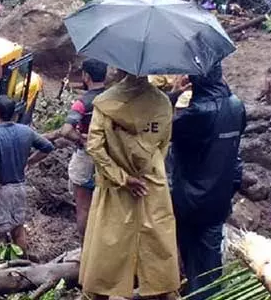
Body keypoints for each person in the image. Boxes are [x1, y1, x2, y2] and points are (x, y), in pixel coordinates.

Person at [80, 73, 178, 300]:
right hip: (151, 185)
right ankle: (159, 292)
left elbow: (94, 147)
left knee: (108, 244)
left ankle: (103, 291)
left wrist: (122, 177)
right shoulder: (162, 102)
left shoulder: (104, 102)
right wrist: (144, 171)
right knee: (156, 242)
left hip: (114, 189)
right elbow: (163, 144)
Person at [168, 63, 246, 300]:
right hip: (220, 196)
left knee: (193, 258)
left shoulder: (195, 114)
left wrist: (172, 95)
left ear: (195, 81)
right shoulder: (236, 106)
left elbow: (161, 129)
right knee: (210, 259)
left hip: (190, 199)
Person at [0, 95, 54, 253]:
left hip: (1, 189)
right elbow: (48, 147)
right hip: (19, 188)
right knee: (18, 231)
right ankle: (21, 266)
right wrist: (30, 161)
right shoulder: (26, 131)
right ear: (14, 113)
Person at [57, 59, 107, 238]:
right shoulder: (112, 98)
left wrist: (82, 140)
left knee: (83, 207)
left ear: (86, 76)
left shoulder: (83, 102)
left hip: (87, 158)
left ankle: (86, 250)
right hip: (109, 159)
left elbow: (66, 130)